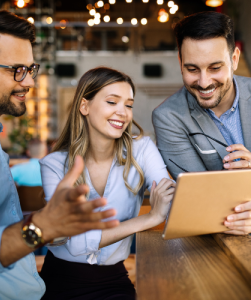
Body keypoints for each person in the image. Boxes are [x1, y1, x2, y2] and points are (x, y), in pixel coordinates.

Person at [0, 9, 119, 300]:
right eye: (16, 69)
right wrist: (40, 227)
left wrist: (52, 219)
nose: (28, 82)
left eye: (31, 69)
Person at [39, 67, 175, 300]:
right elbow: (76, 243)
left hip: (114, 279)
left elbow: (170, 199)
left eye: (129, 105)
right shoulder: (53, 165)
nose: (122, 112)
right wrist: (150, 218)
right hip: (60, 281)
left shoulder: (142, 149)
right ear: (85, 106)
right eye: (112, 102)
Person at [152, 11, 251, 235]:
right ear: (180, 62)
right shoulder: (168, 117)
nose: (204, 82)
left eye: (215, 68)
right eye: (192, 69)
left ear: (234, 59)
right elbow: (201, 203)